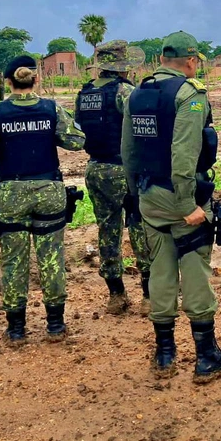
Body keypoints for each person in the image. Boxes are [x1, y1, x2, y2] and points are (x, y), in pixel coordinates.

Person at [121, 31, 221, 384]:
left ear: (160, 60)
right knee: (195, 269)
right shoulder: (190, 94)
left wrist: (135, 195)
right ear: (190, 61)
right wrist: (188, 205)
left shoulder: (137, 94)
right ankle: (206, 357)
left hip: (149, 196)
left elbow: (128, 153)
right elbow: (184, 155)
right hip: (181, 197)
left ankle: (164, 354)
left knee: (160, 269)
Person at [0, 55, 85, 345]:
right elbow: (76, 141)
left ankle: (17, 329)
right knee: (51, 257)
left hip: (11, 194)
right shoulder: (51, 109)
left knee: (13, 260)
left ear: (8, 81)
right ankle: (56, 325)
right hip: (48, 190)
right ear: (36, 79)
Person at [75, 40, 152, 316]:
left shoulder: (85, 93)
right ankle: (148, 295)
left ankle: (116, 295)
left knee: (108, 230)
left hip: (95, 169)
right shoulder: (125, 92)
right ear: (124, 67)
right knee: (139, 227)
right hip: (124, 170)